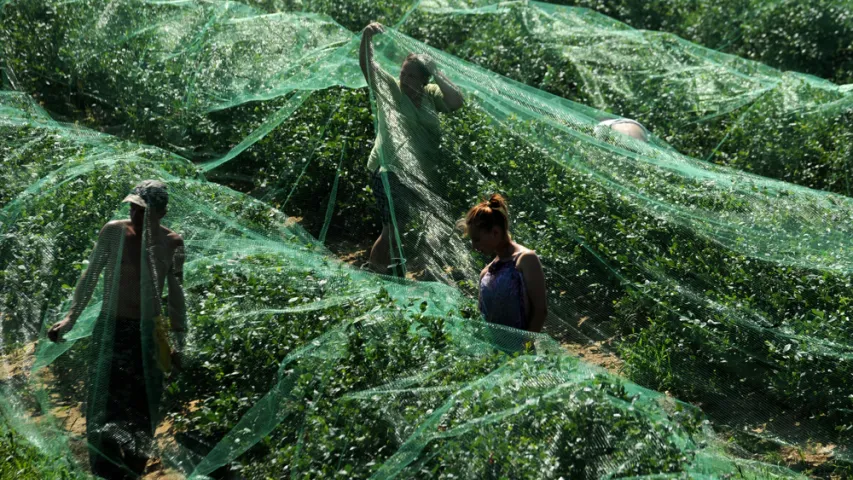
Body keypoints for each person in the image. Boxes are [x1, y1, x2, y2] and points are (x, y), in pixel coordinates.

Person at [47, 180, 186, 480]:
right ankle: (106, 471)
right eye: (133, 208)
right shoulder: (114, 232)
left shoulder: (173, 243)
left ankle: (135, 469)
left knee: (144, 403)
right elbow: (91, 275)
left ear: (161, 213)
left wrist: (179, 343)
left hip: (152, 331)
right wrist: (71, 318)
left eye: (143, 211)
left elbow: (176, 295)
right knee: (104, 401)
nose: (135, 215)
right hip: (112, 325)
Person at [359, 22, 464, 276]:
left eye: (412, 76)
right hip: (388, 168)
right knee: (392, 227)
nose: (404, 79)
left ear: (424, 79)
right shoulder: (392, 91)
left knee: (406, 225)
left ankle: (392, 271)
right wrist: (366, 38)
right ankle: (375, 269)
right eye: (403, 73)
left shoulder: (430, 94)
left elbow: (456, 100)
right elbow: (368, 67)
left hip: (418, 173)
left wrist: (436, 71)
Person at [459, 194, 547, 333]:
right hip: (492, 352)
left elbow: (540, 311)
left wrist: (525, 347)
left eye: (477, 239)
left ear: (495, 232)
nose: (473, 246)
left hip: (521, 350)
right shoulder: (486, 273)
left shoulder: (525, 260)